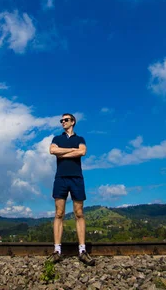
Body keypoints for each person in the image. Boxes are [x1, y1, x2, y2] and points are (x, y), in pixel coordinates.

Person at [47, 113, 95, 266]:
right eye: (61, 120)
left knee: (79, 213)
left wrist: (64, 152)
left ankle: (82, 250)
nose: (63, 122)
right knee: (59, 213)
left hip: (76, 179)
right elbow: (52, 150)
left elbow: (82, 152)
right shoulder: (57, 138)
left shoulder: (80, 139)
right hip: (60, 178)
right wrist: (71, 151)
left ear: (73, 122)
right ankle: (57, 251)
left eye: (66, 120)